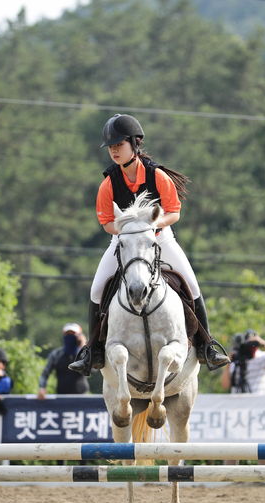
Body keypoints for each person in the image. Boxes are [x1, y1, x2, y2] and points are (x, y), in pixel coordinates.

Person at [68, 113, 229, 375]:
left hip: (160, 237)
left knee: (192, 284)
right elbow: (107, 221)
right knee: (97, 289)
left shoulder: (158, 177)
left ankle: (207, 346)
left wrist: (151, 227)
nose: (114, 151)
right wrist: (127, 231)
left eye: (119, 145)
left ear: (135, 144)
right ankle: (92, 351)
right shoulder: (108, 183)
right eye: (111, 147)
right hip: (124, 240)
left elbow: (174, 212)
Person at [37, 322, 89, 398]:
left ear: (79, 336)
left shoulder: (84, 354)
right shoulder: (56, 355)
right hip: (61, 398)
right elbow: (45, 373)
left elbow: (92, 370)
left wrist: (83, 347)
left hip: (82, 397)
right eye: (67, 334)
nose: (70, 336)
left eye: (73, 334)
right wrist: (42, 387)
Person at [221, 329, 265, 394]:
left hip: (260, 401)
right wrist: (228, 362)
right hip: (239, 402)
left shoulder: (262, 357)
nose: (251, 348)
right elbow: (225, 385)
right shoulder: (235, 361)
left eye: (253, 345)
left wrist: (263, 343)